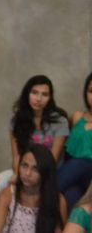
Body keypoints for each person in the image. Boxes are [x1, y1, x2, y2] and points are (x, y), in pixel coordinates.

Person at [0, 75, 69, 193]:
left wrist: (31, 178)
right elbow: (16, 157)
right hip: (24, 172)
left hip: (49, 173)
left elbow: (53, 160)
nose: (39, 99)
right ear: (27, 94)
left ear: (50, 98)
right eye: (34, 93)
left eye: (44, 95)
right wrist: (20, 175)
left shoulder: (60, 121)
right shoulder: (16, 121)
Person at [0, 145, 67, 233]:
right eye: (24, 166)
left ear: (45, 172)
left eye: (35, 169)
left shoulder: (58, 200)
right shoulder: (8, 194)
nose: (28, 173)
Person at [59, 72, 92, 211]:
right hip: (71, 173)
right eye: (91, 91)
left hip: (89, 175)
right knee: (71, 195)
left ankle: (40, 196)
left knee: (79, 164)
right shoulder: (77, 117)